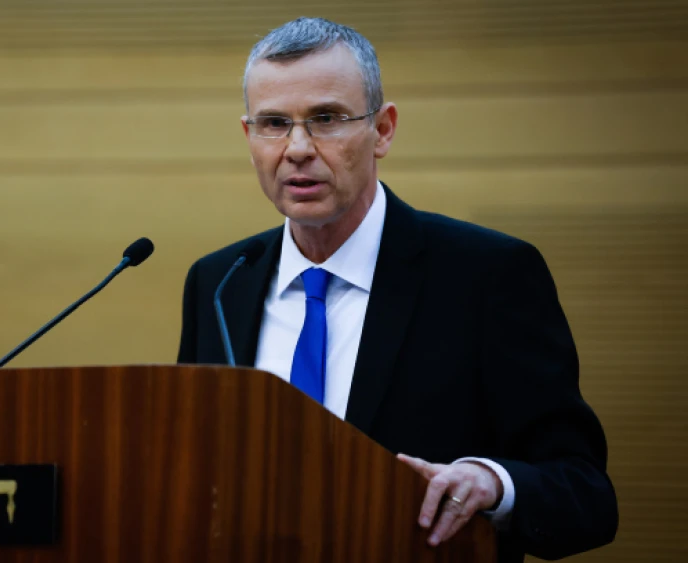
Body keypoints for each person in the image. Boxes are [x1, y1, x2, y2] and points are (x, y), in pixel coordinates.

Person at [176, 17, 618, 563]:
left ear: (382, 130)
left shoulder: (486, 274)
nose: (296, 148)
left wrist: (493, 483)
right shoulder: (220, 282)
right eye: (274, 123)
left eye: (326, 119)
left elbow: (585, 494)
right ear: (250, 137)